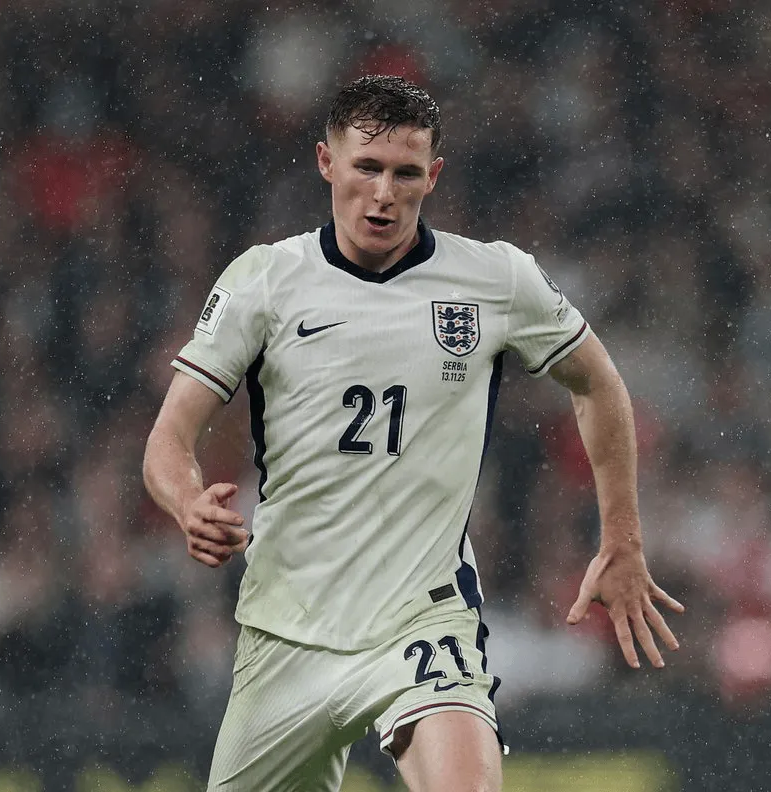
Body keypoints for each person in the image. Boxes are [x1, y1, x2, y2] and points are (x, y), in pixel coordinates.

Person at [143, 74, 684, 792]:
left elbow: (598, 383)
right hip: (287, 632)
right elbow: (168, 438)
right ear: (326, 162)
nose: (383, 193)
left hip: (423, 621)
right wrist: (187, 503)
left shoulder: (495, 279)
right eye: (366, 167)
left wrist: (622, 539)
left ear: (433, 176)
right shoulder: (265, 281)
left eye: (405, 173)